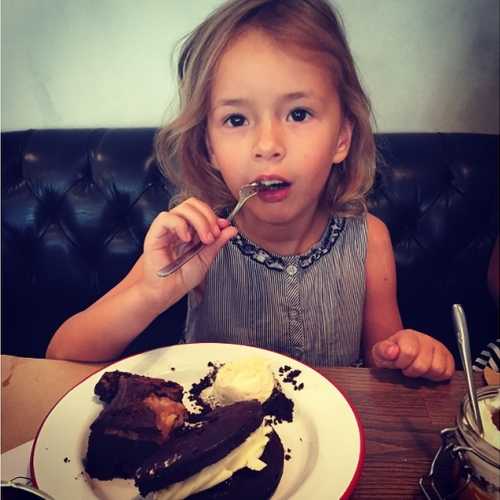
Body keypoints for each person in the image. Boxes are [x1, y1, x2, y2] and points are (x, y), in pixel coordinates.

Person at [46, 0, 454, 381]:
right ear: (210, 147)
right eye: (237, 119)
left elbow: (384, 365)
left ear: (342, 138)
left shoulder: (369, 241)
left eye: (298, 113)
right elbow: (63, 354)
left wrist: (406, 354)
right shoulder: (193, 241)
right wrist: (152, 292)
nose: (267, 145)